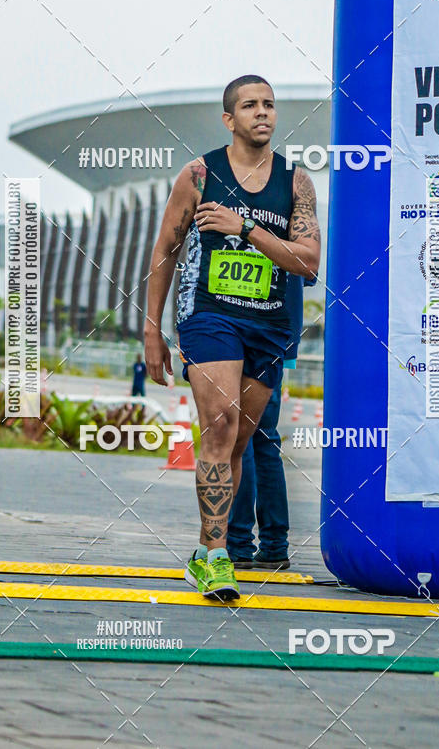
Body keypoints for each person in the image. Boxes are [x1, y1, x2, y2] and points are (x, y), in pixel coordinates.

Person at [144, 75, 320, 600]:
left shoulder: (295, 183)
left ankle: (204, 550)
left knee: (238, 441)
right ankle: (218, 555)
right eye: (250, 105)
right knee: (218, 425)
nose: (262, 113)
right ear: (229, 119)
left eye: (269, 104)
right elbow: (164, 253)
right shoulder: (198, 175)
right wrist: (152, 330)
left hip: (268, 324)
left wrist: (244, 228)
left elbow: (308, 263)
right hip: (208, 313)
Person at [227, 273, 310, 570]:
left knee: (241, 436)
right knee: (264, 439)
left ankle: (237, 542)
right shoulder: (296, 227)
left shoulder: (252, 226)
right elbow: (306, 275)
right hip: (282, 334)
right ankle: (275, 543)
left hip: (254, 333)